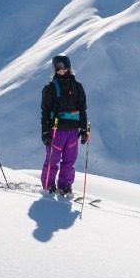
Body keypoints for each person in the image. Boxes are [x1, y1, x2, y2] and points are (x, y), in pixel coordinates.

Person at [39, 53, 89, 197]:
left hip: (73, 130)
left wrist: (84, 129)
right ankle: (48, 185)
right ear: (54, 69)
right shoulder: (50, 88)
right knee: (52, 159)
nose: (62, 70)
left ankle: (65, 186)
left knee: (69, 160)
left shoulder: (78, 87)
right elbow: (45, 112)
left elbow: (82, 110)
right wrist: (45, 132)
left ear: (69, 67)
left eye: (64, 67)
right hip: (56, 130)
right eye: (58, 68)